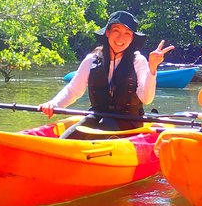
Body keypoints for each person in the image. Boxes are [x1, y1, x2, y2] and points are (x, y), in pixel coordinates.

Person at [39, 10, 174, 138]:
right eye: (116, 31)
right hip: (97, 115)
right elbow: (73, 90)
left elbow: (146, 99)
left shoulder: (138, 61)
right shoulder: (92, 59)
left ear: (132, 38)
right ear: (108, 33)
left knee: (106, 124)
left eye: (127, 33)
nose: (121, 37)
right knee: (69, 137)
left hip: (129, 121)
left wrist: (152, 69)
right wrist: (54, 104)